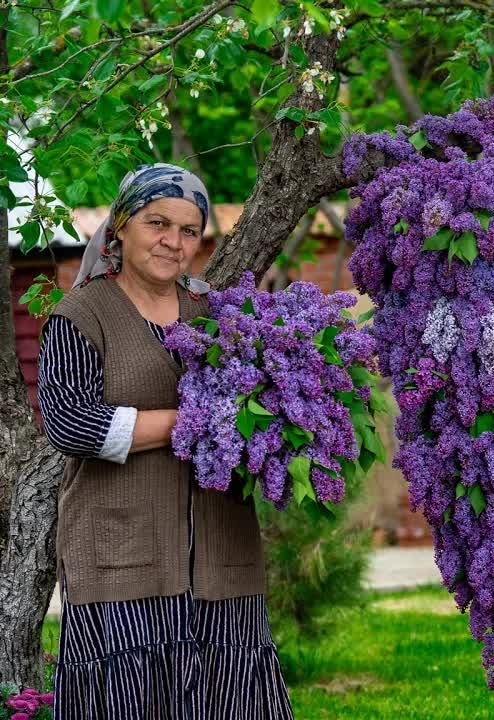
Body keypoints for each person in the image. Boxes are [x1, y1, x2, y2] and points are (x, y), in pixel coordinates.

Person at [38, 164, 293, 719]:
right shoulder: (81, 316)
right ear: (121, 226)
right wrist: (197, 421)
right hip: (121, 560)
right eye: (157, 223)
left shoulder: (217, 316)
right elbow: (70, 423)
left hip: (222, 557)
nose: (172, 242)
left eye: (188, 231)